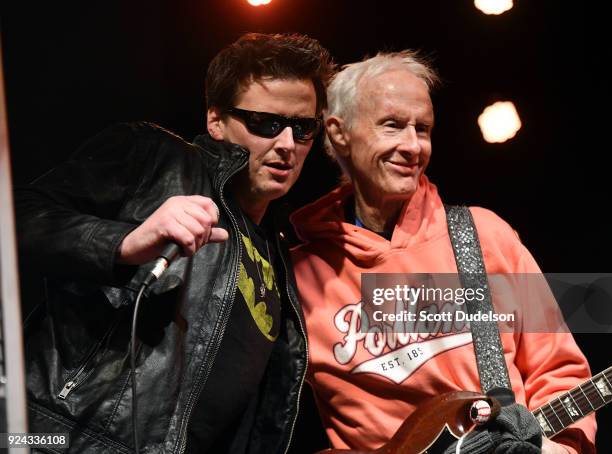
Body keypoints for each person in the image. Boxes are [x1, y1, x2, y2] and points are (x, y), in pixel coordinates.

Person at [16, 32, 334, 453]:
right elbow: (15, 216)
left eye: (303, 127)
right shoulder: (156, 157)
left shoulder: (278, 253)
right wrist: (125, 242)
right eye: (266, 123)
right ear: (215, 119)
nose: (287, 144)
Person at [290, 51, 596, 453]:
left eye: (424, 129)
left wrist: (556, 449)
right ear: (338, 132)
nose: (412, 146)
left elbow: (558, 369)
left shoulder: (484, 236)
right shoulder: (298, 275)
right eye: (393, 126)